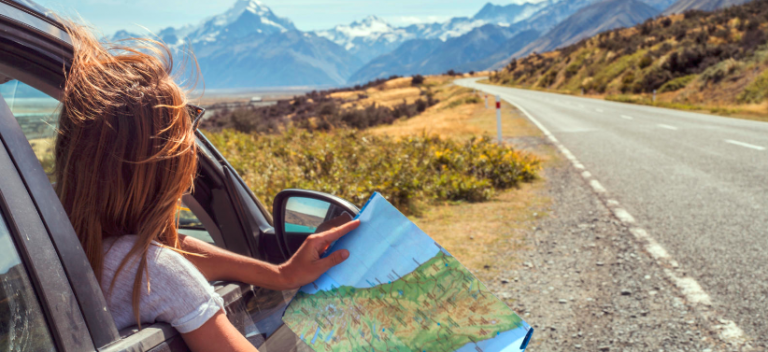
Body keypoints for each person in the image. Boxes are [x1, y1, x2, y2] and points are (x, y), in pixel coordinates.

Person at [53, 23, 358, 351]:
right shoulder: (154, 271)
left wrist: (282, 275)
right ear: (168, 167)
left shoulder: (60, 246)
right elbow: (162, 263)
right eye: (189, 133)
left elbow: (172, 250)